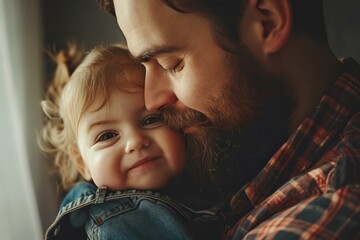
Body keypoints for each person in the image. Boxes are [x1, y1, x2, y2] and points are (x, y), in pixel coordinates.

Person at [97, 0, 360, 239]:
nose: (151, 101)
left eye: (171, 64)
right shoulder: (243, 149)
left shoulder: (322, 219)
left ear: (267, 23)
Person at [40, 44, 225, 239]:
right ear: (81, 163)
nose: (135, 142)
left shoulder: (213, 173)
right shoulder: (117, 220)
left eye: (150, 120)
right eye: (107, 136)